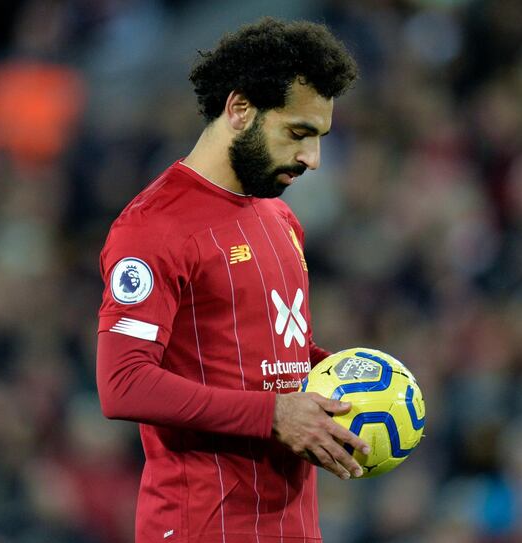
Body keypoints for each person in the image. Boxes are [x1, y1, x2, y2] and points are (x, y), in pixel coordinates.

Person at [96, 18, 369, 543]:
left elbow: (271, 355)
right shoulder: (153, 226)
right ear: (240, 109)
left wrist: (351, 381)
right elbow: (122, 383)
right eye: (298, 133)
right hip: (204, 527)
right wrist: (273, 414)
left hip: (293, 527)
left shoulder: (279, 218)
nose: (312, 159)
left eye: (319, 138)